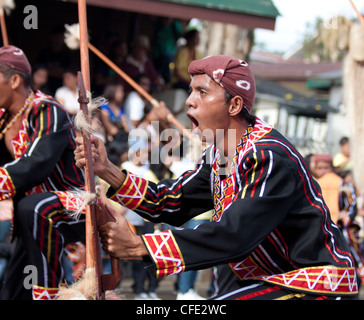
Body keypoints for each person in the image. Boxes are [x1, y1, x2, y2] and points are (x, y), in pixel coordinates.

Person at [75, 55, 358, 300]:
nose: (188, 102)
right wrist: (107, 170)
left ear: (234, 105)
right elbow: (171, 200)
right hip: (265, 278)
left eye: (201, 92)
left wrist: (142, 245)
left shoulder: (269, 156)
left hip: (315, 281)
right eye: (190, 91)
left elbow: (234, 235)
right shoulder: (218, 157)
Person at [0, 45, 86, 300]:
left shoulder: (48, 109)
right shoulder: (5, 118)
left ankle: (48, 293)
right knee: (11, 293)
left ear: (14, 80)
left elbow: (36, 164)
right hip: (29, 216)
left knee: (33, 207)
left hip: (70, 204)